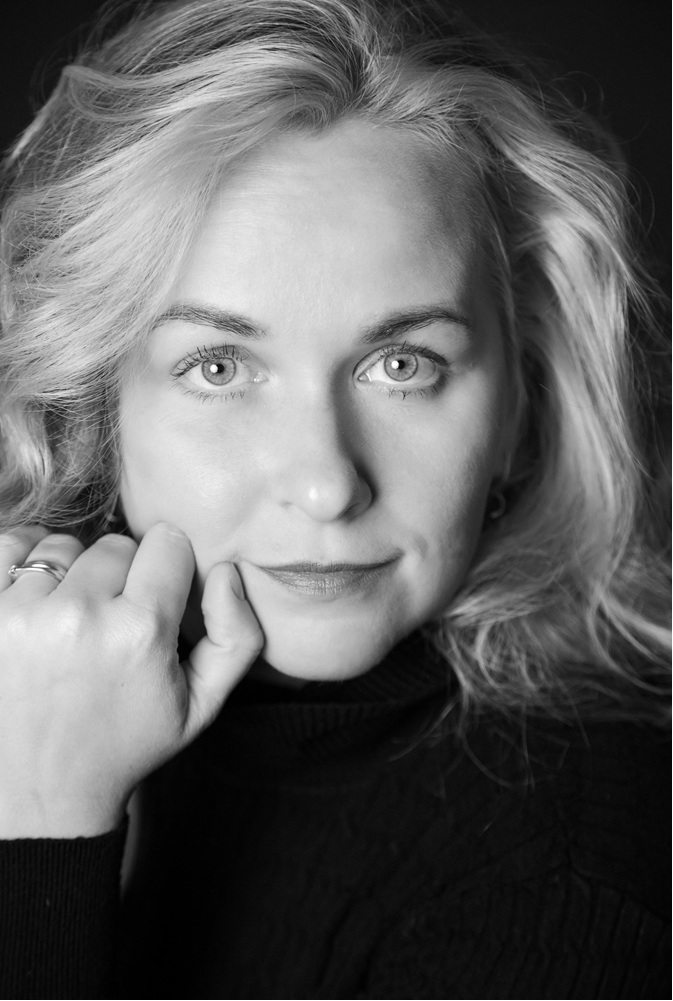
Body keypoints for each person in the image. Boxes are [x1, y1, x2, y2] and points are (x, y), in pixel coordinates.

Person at [0, 0, 669, 996]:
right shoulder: (51, 677)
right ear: (93, 407)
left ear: (523, 403)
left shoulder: (561, 891)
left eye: (402, 364)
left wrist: (44, 825)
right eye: (219, 367)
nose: (325, 483)